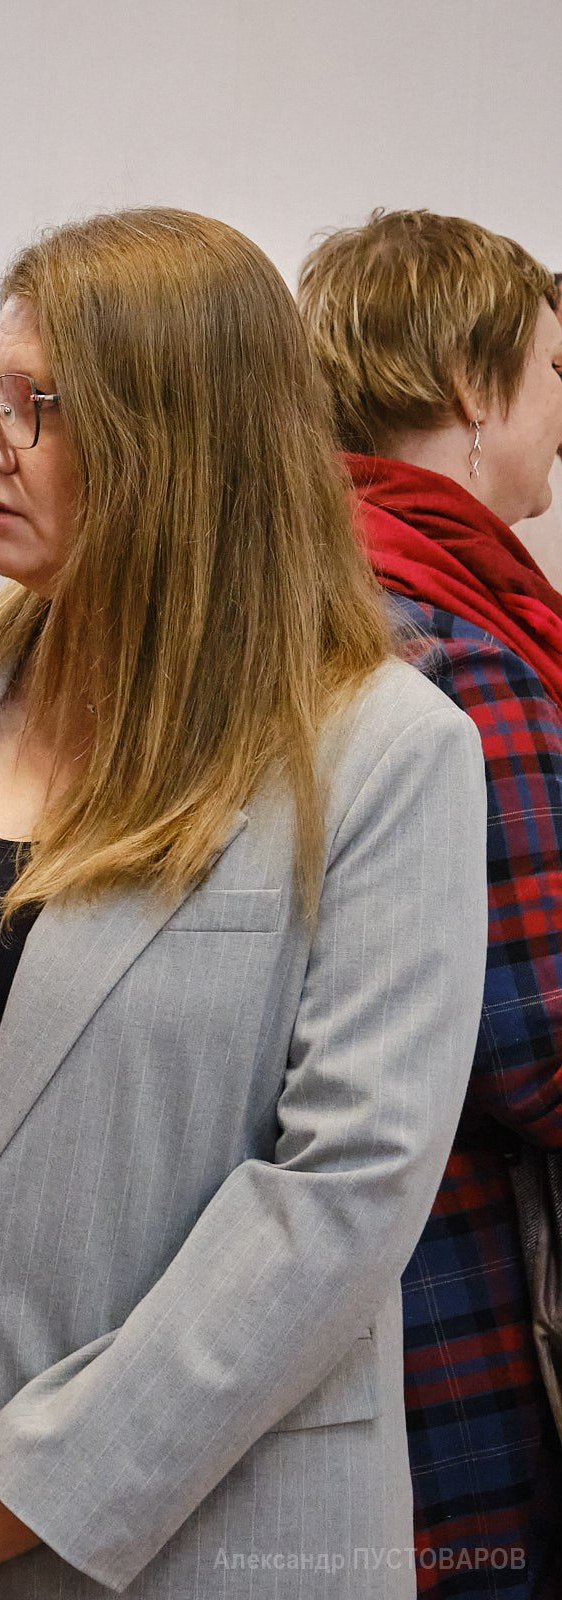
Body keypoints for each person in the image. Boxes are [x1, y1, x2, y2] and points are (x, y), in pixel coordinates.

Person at [0, 208, 488, 1599]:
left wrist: (34, 1478)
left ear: (179, 441)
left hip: (199, 1519)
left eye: (33, 410)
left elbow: (345, 1185)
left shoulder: (384, 753)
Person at [297, 209, 562, 1599]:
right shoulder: (458, 640)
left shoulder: (301, 584)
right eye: (553, 372)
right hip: (450, 1273)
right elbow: (536, 1036)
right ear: (473, 387)